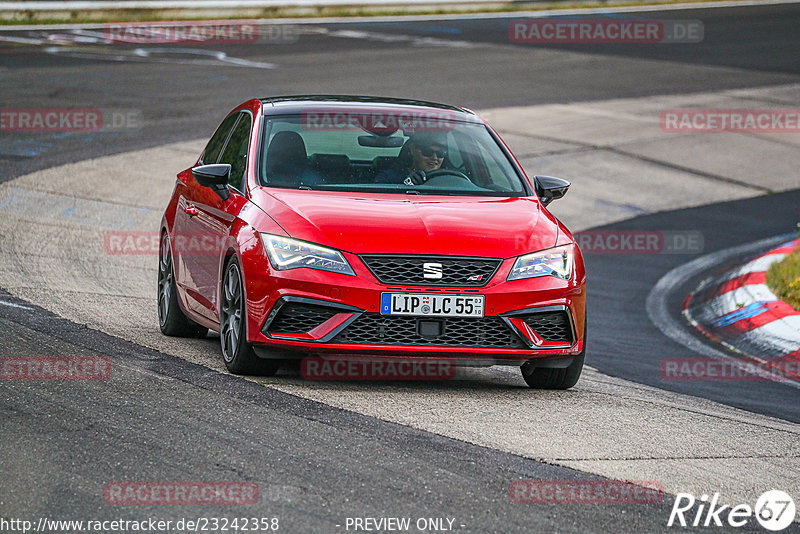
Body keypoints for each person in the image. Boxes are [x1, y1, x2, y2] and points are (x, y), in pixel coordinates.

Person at [375, 132, 449, 185]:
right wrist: (407, 185)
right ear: (413, 150)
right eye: (427, 152)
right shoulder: (389, 178)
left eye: (440, 153)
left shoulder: (449, 181)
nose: (434, 158)